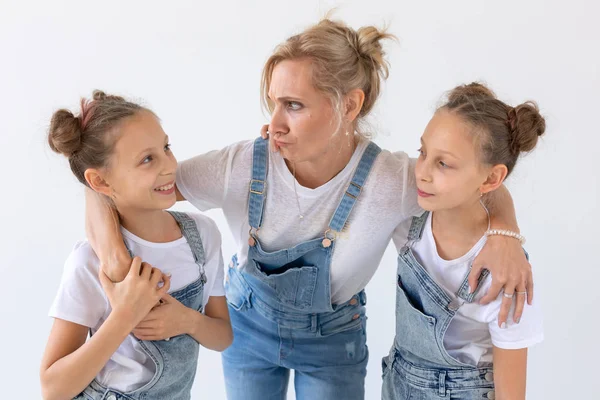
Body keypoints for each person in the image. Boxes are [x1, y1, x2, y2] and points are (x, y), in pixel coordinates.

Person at [85, 20, 532, 400]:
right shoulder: (242, 165)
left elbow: (477, 183)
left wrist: (506, 234)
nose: (275, 122)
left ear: (350, 104)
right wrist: (113, 256)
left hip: (333, 341)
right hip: (245, 330)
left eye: (294, 106)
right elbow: (114, 185)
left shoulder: (392, 180)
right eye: (274, 103)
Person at [40, 91, 232, 400]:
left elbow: (223, 337)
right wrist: (125, 315)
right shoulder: (89, 262)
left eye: (166, 147)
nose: (169, 165)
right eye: (147, 159)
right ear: (101, 183)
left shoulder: (202, 235)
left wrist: (187, 320)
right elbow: (53, 388)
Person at [382, 83, 545, 400]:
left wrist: (506, 233)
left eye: (443, 163)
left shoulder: (508, 278)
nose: (422, 172)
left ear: (491, 179)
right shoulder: (408, 220)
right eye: (423, 153)